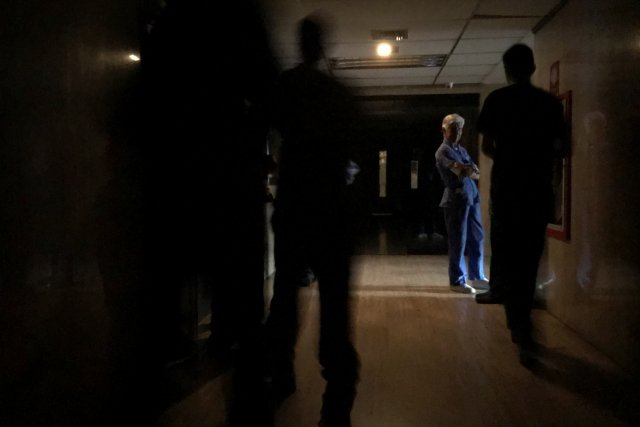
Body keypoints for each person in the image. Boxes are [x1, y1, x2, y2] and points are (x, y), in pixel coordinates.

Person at [265, 13, 361, 427]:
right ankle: (337, 402)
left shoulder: (284, 88)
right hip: (332, 212)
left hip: (293, 208)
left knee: (286, 295)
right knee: (335, 308)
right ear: (323, 46)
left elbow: (261, 130)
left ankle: (280, 373)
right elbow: (356, 153)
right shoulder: (338, 93)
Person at [475, 43, 568, 366]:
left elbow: (487, 146)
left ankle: (518, 323)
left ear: (507, 70)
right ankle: (522, 323)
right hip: (537, 191)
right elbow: (563, 148)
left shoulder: (497, 101)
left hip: (507, 190)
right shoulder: (549, 105)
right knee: (528, 260)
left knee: (508, 254)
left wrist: (508, 159)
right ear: (532, 67)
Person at [435, 113, 490, 294]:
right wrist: (466, 169)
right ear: (444, 130)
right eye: (454, 128)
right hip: (456, 199)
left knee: (477, 236)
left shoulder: (462, 150)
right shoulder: (443, 151)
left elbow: (476, 173)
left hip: (471, 197)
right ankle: (457, 280)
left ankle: (476, 276)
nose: (458, 132)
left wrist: (467, 169)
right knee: (458, 240)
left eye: (460, 129)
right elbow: (461, 171)